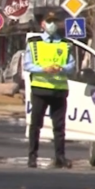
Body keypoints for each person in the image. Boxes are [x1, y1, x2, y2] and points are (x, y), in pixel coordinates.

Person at [24, 12, 76, 169]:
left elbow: (72, 65)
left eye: (55, 21)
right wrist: (43, 69)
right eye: (49, 21)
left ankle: (60, 157)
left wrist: (61, 68)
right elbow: (27, 65)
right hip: (40, 89)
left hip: (59, 90)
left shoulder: (65, 44)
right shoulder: (34, 43)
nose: (52, 24)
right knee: (36, 125)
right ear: (43, 24)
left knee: (59, 127)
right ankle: (32, 157)